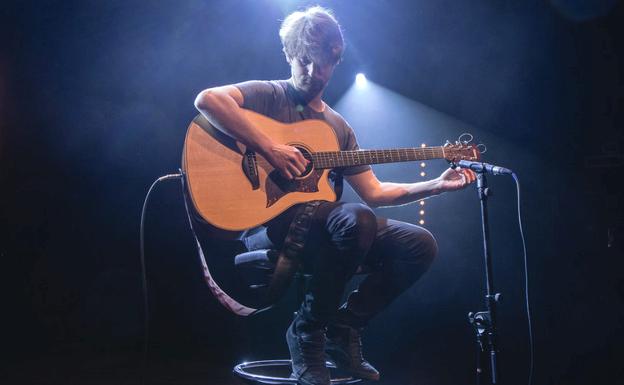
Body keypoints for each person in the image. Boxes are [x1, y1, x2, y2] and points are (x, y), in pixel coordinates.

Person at [194, 6, 476, 385]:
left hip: (326, 231)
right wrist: (272, 149)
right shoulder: (269, 95)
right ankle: (308, 332)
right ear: (290, 56)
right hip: (268, 224)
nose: (313, 72)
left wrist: (436, 185)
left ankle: (344, 327)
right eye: (303, 61)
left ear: (335, 59)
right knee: (354, 218)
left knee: (419, 244)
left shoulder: (338, 127)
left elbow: (374, 192)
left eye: (322, 63)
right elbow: (208, 100)